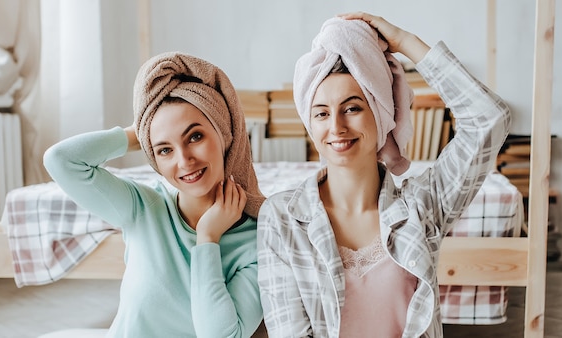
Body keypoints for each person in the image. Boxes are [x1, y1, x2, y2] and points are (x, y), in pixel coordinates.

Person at [257, 12, 510, 338]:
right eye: (321, 113)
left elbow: (489, 119)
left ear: (379, 114)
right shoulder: (282, 218)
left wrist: (406, 42)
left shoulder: (423, 206)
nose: (336, 127)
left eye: (352, 108)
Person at [43, 52, 265, 337]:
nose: (184, 161)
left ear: (224, 134)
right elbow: (61, 161)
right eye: (164, 150)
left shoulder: (256, 241)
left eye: (195, 137)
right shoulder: (145, 208)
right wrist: (143, 130)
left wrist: (207, 239)